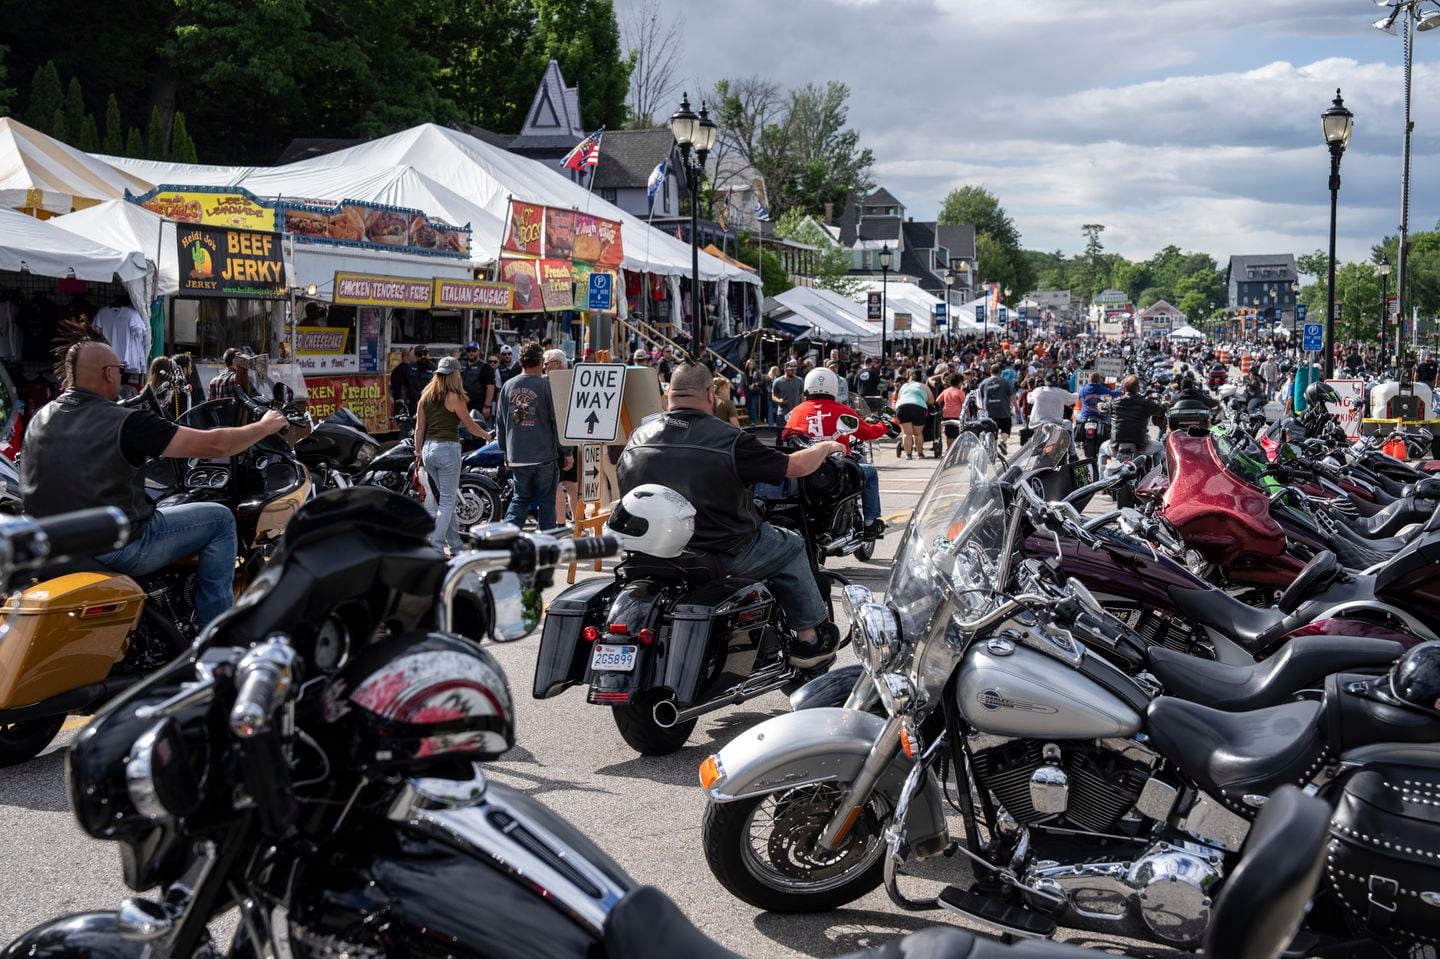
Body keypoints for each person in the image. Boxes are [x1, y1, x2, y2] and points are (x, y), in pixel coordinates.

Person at [21, 342, 288, 625]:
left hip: (49, 544)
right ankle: (216, 635)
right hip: (116, 548)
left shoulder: (40, 417)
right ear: (109, 373)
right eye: (120, 371)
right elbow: (215, 445)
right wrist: (266, 425)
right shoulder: (126, 422)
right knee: (221, 519)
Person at [617, 361, 845, 667]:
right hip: (722, 549)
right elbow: (795, 466)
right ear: (710, 394)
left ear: (669, 393)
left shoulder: (638, 437)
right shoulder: (729, 439)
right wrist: (826, 447)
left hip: (649, 553)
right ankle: (808, 639)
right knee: (790, 544)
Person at [784, 368, 889, 538]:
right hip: (837, 470)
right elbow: (868, 432)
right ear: (833, 387)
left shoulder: (797, 411)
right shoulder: (841, 409)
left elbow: (785, 435)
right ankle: (871, 523)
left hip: (804, 469)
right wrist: (885, 425)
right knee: (870, 472)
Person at [413, 357, 491, 553]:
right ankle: (436, 547)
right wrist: (485, 434)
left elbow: (419, 427)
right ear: (456, 375)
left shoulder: (425, 396)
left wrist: (417, 453)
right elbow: (470, 425)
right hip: (447, 449)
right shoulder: (455, 396)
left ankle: (456, 546)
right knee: (448, 502)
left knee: (446, 502)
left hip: (428, 450)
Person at [497, 342, 571, 530]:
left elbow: (501, 423)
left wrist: (505, 450)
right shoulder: (546, 386)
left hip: (518, 455)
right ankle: (546, 543)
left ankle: (506, 538)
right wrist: (567, 452)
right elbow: (557, 422)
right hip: (543, 455)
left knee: (520, 498)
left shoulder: (507, 386)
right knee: (546, 502)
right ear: (539, 361)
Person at [543, 349, 579, 524]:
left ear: (557, 364)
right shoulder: (574, 381)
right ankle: (575, 522)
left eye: (546, 363)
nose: (544, 367)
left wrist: (567, 451)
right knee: (570, 485)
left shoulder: (551, 384)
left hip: (560, 442)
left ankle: (561, 523)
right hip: (570, 439)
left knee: (562, 485)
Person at [1109, 374, 1166, 457]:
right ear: (1138, 388)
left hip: (1116, 445)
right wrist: (1165, 405)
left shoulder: (1115, 403)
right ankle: (1158, 470)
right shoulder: (1145, 403)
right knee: (1160, 447)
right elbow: (1160, 411)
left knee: (1102, 450)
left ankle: (1101, 470)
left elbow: (1103, 408)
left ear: (1124, 387)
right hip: (1140, 445)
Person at [893, 369, 934, 460]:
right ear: (921, 378)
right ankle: (920, 454)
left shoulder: (905, 385)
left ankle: (908, 455)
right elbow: (931, 400)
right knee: (918, 434)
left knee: (907, 433)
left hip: (902, 407)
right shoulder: (924, 386)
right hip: (918, 407)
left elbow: (899, 397)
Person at [976, 363, 1017, 445]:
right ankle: (1003, 441)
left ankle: (993, 448)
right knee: (1006, 428)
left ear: (990, 371)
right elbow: (1012, 396)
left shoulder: (984, 383)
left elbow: (979, 398)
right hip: (1003, 411)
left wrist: (980, 410)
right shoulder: (1005, 382)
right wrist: (1015, 407)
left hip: (989, 411)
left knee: (991, 431)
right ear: (1000, 372)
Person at [460, 341, 496, 419]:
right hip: (463, 404)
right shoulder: (462, 365)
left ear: (478, 351)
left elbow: (490, 386)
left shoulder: (485, 366)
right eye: (469, 350)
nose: (471, 353)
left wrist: (487, 406)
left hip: (478, 405)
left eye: (474, 350)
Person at [389, 347, 422, 417]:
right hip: (408, 407)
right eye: (414, 354)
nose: (416, 356)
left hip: (398, 405)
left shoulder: (395, 370)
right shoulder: (410, 371)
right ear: (408, 355)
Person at [938, 372, 966, 450]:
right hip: (957, 415)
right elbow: (964, 404)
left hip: (946, 414)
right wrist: (968, 415)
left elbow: (938, 400)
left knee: (949, 434)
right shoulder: (960, 392)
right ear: (959, 382)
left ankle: (949, 448)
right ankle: (955, 450)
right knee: (956, 434)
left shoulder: (946, 391)